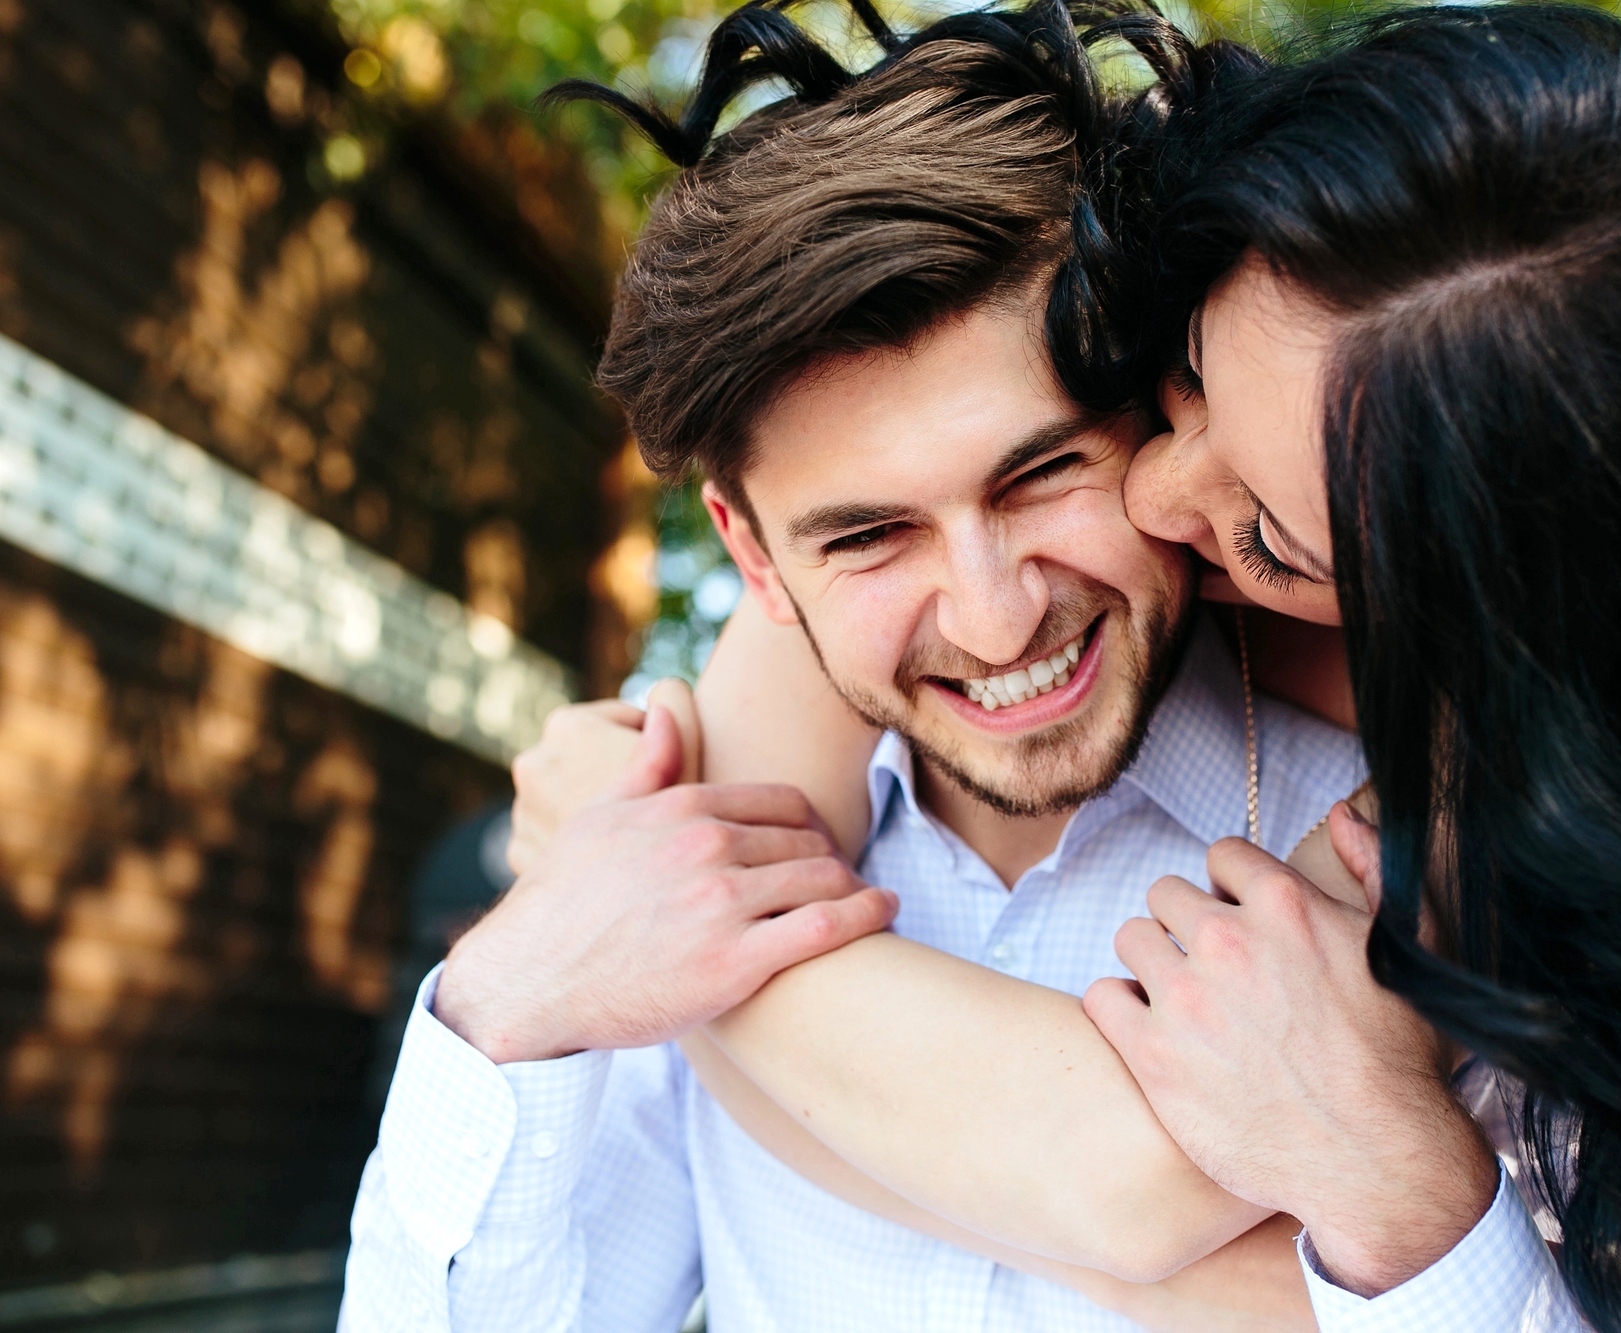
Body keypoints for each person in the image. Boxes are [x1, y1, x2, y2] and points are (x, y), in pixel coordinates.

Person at [506, 5, 1621, 1333]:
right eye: (1179, 385)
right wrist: (616, 902)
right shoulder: (864, 601)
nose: (1158, 495)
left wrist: (682, 953)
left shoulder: (1537, 816)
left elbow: (1121, 1168)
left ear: (1473, 628)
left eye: (1267, 530)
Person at [342, 3, 1486, 1330]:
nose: (998, 622)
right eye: (870, 535)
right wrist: (504, 1001)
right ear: (752, 557)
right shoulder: (663, 876)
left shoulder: (1422, 834)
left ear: (1160, 412)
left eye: (1044, 471)